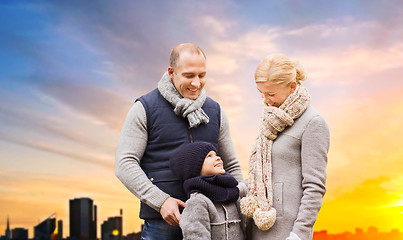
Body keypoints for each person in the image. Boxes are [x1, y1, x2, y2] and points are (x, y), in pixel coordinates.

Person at [115, 43, 245, 240]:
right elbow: (125, 164)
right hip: (163, 224)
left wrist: (241, 204)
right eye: (189, 75)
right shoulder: (145, 108)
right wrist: (162, 201)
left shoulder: (216, 111)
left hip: (213, 223)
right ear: (171, 72)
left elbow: (231, 164)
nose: (196, 83)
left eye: (202, 75)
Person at [240, 53, 330, 240]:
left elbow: (314, 186)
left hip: (286, 233)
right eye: (261, 93)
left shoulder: (313, 123)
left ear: (292, 86)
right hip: (258, 227)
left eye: (271, 94)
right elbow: (262, 175)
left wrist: (299, 234)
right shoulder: (272, 121)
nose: (265, 100)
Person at [169, 141, 245, 240]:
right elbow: (195, 236)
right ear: (195, 168)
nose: (218, 158)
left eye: (216, 154)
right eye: (209, 156)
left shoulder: (232, 194)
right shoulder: (197, 202)